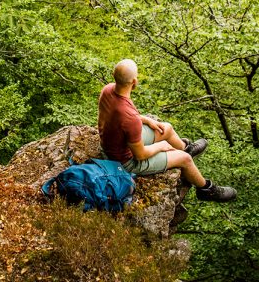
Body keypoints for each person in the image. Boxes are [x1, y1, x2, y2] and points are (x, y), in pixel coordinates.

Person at [98, 58, 237, 202]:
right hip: (123, 161)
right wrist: (161, 146)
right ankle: (206, 190)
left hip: (112, 142)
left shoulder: (108, 89)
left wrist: (147, 120)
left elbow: (119, 117)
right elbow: (140, 154)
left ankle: (186, 148)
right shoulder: (130, 118)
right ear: (134, 82)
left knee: (166, 129)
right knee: (185, 160)